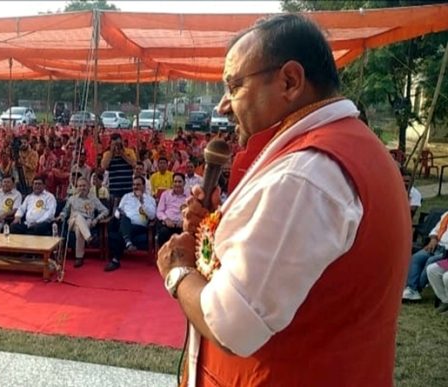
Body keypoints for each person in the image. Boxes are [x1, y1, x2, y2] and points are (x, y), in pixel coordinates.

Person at [156, 14, 410, 386]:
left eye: (234, 85)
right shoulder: (340, 147)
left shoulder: (305, 174)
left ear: (290, 81)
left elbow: (231, 325)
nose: (223, 106)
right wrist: (214, 228)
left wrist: (178, 272)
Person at [106, 176, 156, 272]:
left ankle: (116, 259)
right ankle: (128, 243)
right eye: (133, 185)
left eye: (138, 184)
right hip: (124, 222)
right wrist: (118, 215)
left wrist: (142, 203)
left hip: (139, 226)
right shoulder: (126, 196)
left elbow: (152, 216)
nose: (135, 187)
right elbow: (118, 211)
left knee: (120, 233)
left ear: (144, 186)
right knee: (124, 219)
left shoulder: (150, 199)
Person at [57, 177, 109, 268]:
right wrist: (61, 216)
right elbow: (65, 211)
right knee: (77, 215)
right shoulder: (72, 199)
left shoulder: (93, 199)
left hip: (88, 222)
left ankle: (79, 258)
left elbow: (105, 210)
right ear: (77, 187)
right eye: (80, 186)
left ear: (88, 186)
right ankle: (89, 238)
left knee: (79, 229)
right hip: (72, 222)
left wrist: (97, 219)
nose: (82, 188)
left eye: (84, 186)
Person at [403, 210, 448, 301]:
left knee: (430, 262)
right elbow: (435, 230)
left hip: (445, 252)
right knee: (416, 258)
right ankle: (411, 289)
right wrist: (433, 239)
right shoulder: (446, 215)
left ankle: (416, 289)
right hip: (437, 245)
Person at [156, 173, 188, 247]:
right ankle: (163, 257)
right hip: (168, 224)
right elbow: (159, 211)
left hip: (182, 225)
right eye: (175, 181)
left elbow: (191, 211)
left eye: (180, 182)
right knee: (163, 232)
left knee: (187, 234)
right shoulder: (165, 194)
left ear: (184, 183)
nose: (177, 184)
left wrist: (184, 221)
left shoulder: (189, 196)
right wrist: (166, 219)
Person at [100, 133, 136, 199]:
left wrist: (122, 154)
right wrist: (112, 152)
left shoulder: (129, 152)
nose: (117, 146)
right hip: (114, 189)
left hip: (128, 188)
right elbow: (104, 166)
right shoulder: (107, 154)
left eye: (118, 144)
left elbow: (134, 164)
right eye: (115, 144)